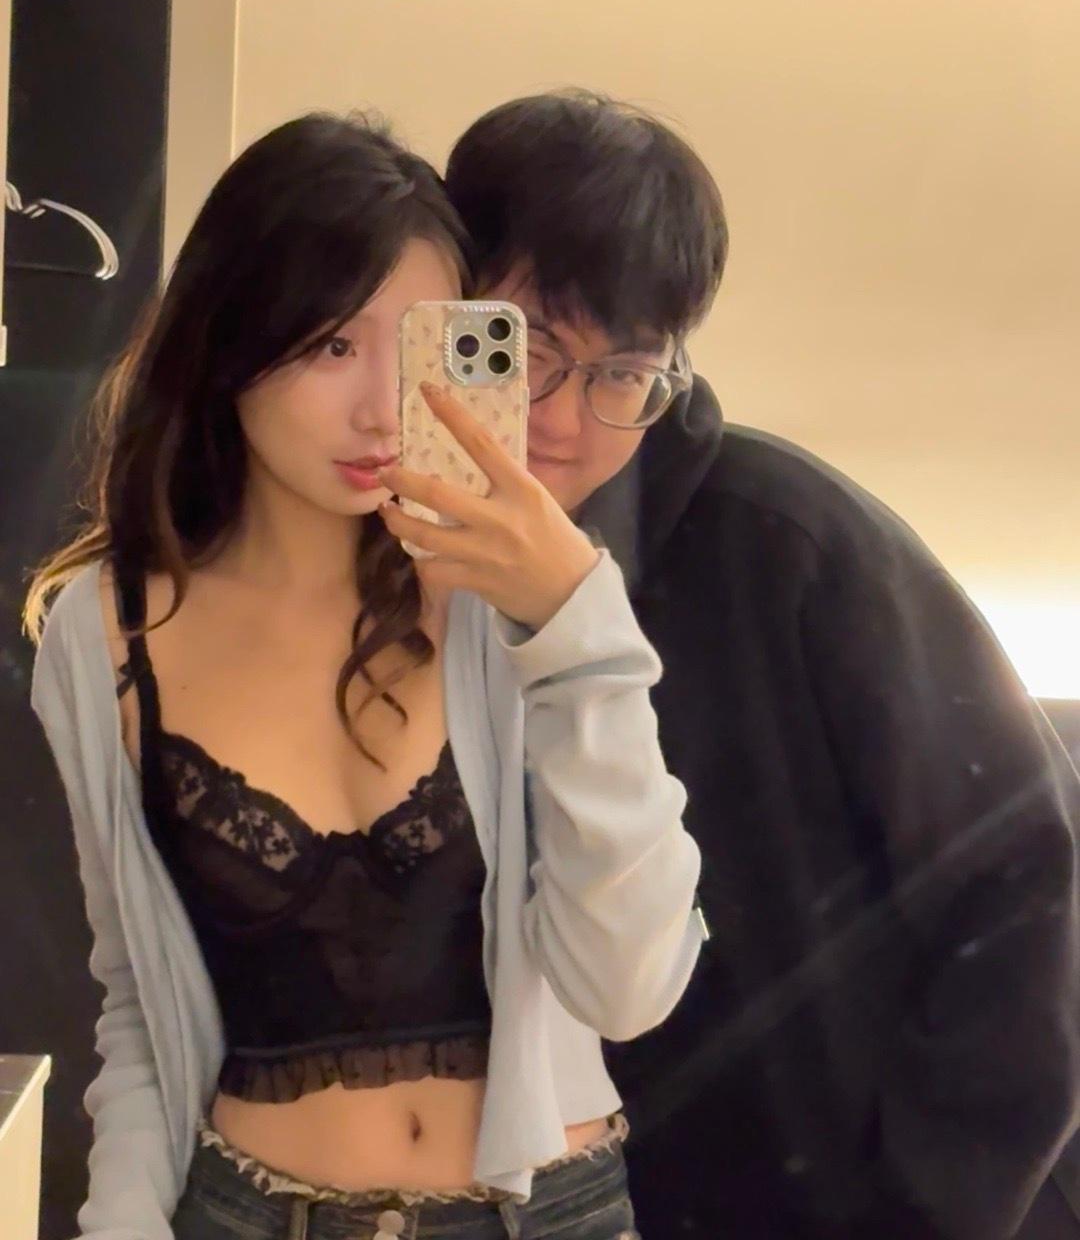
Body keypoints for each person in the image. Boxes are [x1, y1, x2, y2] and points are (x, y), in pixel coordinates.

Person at [26, 111, 706, 1240]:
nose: (382, 405)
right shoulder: (103, 632)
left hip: (547, 1215)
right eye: (332, 345)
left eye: (419, 342)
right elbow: (141, 1009)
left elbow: (629, 987)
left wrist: (578, 632)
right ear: (230, 340)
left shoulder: (509, 591)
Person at [444, 90, 1080, 1240]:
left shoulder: (789, 543)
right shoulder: (394, 572)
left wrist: (926, 1212)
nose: (561, 420)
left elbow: (1030, 875)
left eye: (619, 373)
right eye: (526, 350)